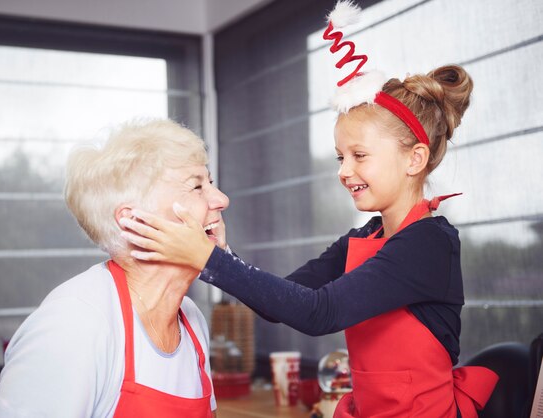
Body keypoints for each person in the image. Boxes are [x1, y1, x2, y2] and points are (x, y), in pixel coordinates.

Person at [118, 3, 500, 415]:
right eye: (340, 157)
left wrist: (206, 259)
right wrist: (223, 257)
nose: (344, 170)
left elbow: (321, 314)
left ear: (414, 159)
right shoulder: (362, 240)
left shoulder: (428, 243)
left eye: (359, 155)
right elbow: (280, 303)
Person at [0, 119, 227, 418]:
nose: (221, 200)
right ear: (135, 222)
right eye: (196, 186)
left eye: (211, 182)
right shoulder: (75, 324)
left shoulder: (191, 320)